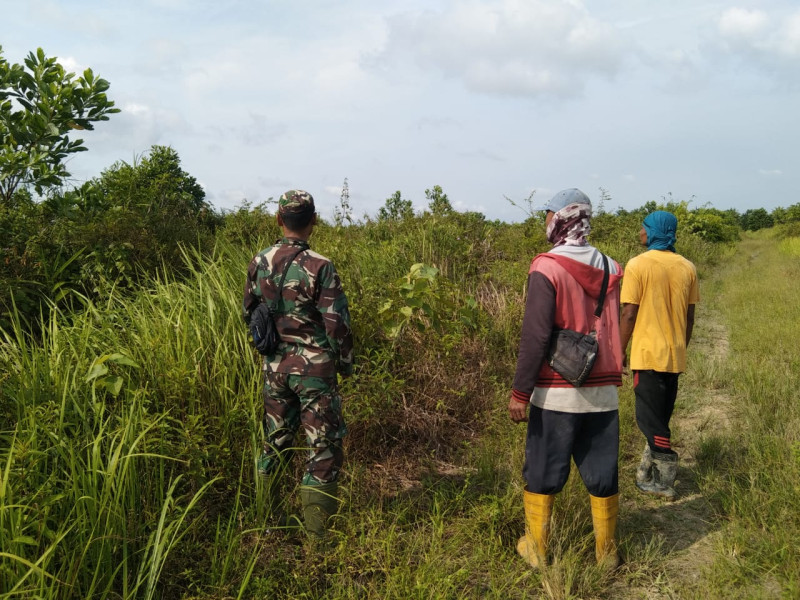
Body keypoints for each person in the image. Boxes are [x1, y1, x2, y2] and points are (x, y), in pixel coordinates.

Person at [509, 188, 624, 569]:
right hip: (603, 391)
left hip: (556, 392)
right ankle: (606, 553)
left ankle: (537, 548)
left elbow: (536, 335)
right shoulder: (611, 267)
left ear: (562, 218)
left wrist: (520, 392)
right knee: (602, 471)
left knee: (544, 469)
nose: (545, 221)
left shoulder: (547, 267)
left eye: (548, 214)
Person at [242, 189, 354, 539]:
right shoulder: (320, 266)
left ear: (279, 219)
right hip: (315, 373)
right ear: (314, 220)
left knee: (275, 440)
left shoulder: (259, 261)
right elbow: (337, 324)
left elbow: (249, 313)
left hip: (274, 370)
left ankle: (268, 524)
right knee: (322, 448)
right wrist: (346, 364)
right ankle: (319, 540)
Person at [619, 210, 698, 500]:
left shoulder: (638, 265)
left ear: (653, 231)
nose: (640, 232)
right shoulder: (687, 267)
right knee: (659, 418)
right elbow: (689, 317)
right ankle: (645, 474)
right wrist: (680, 347)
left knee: (648, 420)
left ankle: (664, 482)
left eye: (644, 227)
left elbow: (629, 314)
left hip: (648, 354)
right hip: (674, 355)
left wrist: (618, 350)